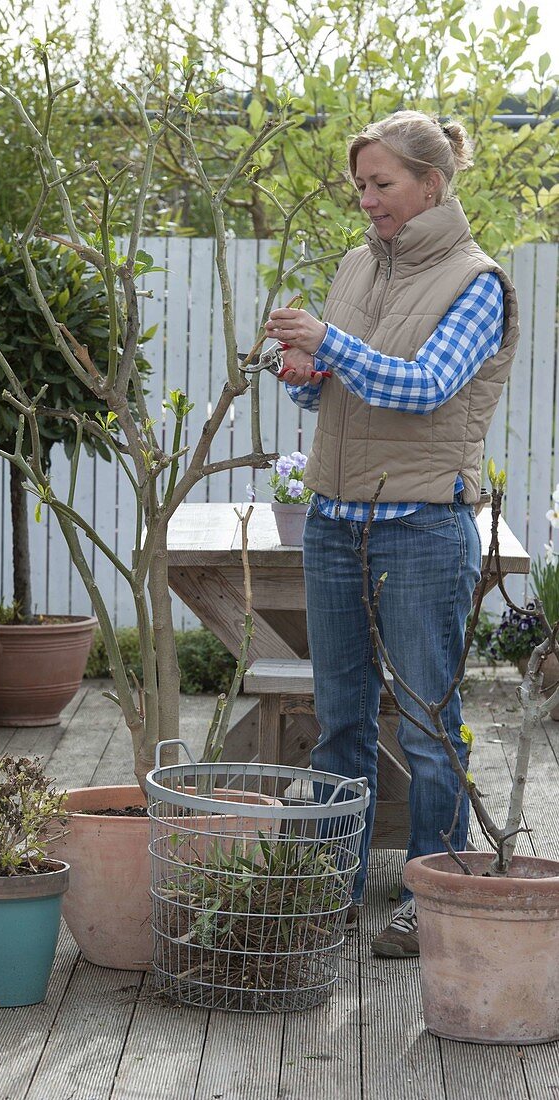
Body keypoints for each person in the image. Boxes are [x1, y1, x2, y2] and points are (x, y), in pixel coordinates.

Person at [265, 110, 519, 959]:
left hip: (419, 527)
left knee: (424, 724)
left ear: (431, 186)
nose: (366, 199)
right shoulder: (354, 267)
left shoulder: (476, 282)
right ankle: (331, 885)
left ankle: (431, 893)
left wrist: (330, 341)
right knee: (339, 721)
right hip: (334, 522)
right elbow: (334, 394)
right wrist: (304, 372)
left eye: (382, 184)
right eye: (361, 185)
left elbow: (425, 389)